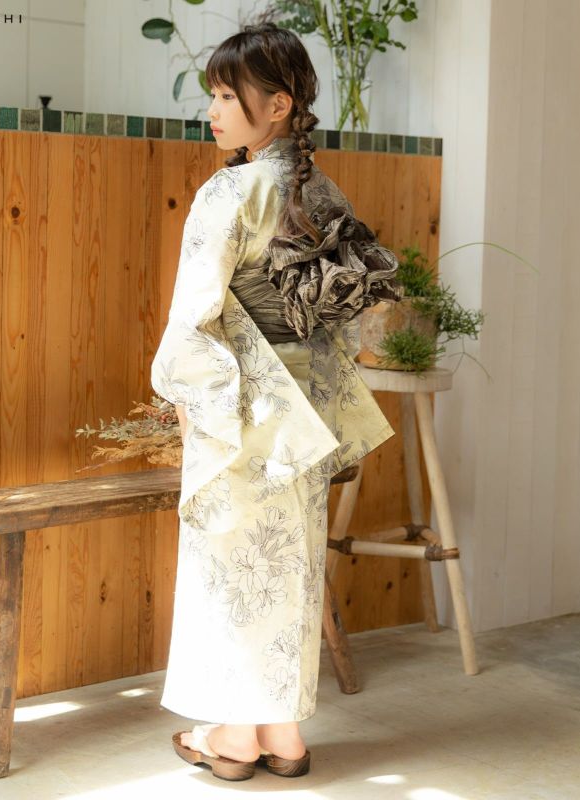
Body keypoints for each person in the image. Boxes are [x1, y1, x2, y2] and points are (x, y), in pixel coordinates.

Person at [150, 22, 400, 781]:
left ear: (280, 104)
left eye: (227, 97)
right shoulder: (322, 191)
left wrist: (184, 397)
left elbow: (194, 315)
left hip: (240, 401)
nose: (213, 111)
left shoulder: (228, 191)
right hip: (308, 409)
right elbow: (343, 311)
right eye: (214, 96)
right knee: (288, 570)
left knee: (231, 571)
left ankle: (232, 736)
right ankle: (283, 735)